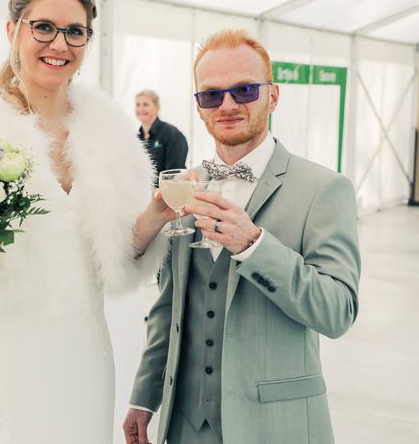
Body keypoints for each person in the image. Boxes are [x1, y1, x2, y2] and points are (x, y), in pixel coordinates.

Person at [0, 0, 173, 444]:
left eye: (75, 31)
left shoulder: (110, 132)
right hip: (3, 352)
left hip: (84, 353)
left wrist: (158, 212)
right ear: (12, 30)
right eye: (43, 27)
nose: (59, 43)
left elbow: (121, 255)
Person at [123, 29, 361, 444]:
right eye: (211, 95)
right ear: (199, 107)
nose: (228, 104)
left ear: (273, 96)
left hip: (275, 427)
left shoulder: (324, 188)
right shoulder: (183, 187)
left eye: (244, 90)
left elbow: (337, 311)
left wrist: (255, 246)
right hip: (185, 427)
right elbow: (168, 307)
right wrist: (145, 397)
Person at [136, 90, 188, 186]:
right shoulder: (136, 138)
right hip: (142, 194)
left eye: (145, 104)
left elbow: (174, 175)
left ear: (157, 108)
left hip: (165, 195)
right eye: (138, 105)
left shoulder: (173, 135)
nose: (141, 109)